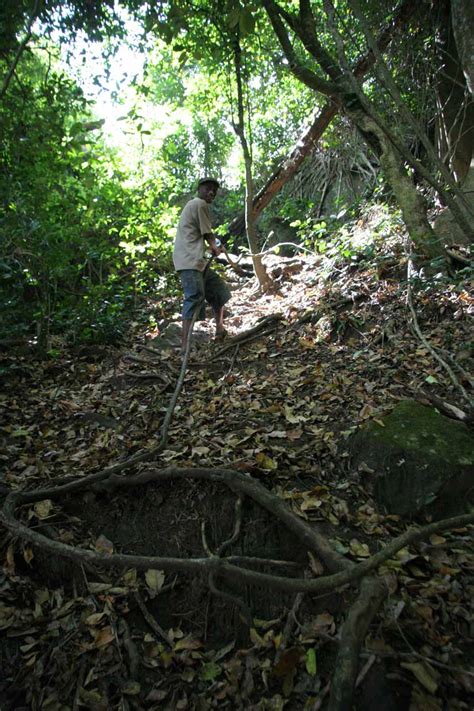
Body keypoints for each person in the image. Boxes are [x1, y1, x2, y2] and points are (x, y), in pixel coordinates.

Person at [173, 177, 231, 353]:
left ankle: (220, 329)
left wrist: (215, 246)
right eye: (207, 188)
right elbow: (207, 234)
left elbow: (203, 234)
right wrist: (214, 245)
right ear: (199, 189)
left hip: (197, 262)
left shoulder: (195, 205)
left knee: (219, 291)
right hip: (189, 262)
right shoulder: (199, 204)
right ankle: (185, 345)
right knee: (194, 297)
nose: (211, 192)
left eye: (214, 190)